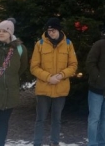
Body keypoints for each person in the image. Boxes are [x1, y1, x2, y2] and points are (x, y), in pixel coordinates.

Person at [31, 18, 78, 146]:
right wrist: (48, 77)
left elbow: (73, 65)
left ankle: (54, 142)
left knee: (56, 119)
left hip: (60, 88)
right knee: (40, 119)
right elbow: (34, 67)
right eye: (49, 30)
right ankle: (37, 142)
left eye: (54, 30)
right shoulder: (40, 44)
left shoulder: (68, 44)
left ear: (59, 30)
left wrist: (61, 75)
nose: (51, 33)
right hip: (43, 88)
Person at [0, 19, 28, 146]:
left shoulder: (20, 49)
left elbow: (22, 67)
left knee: (3, 124)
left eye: (4, 31)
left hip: (10, 95)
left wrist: (11, 79)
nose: (1, 33)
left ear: (11, 33)